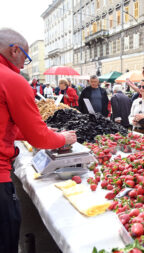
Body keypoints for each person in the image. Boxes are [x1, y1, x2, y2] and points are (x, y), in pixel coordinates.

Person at [0, 28, 77, 253]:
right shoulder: (12, 80)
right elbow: (40, 139)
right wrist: (62, 137)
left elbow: (7, 128)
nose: (25, 63)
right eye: (26, 55)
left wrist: (38, 131)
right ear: (14, 50)